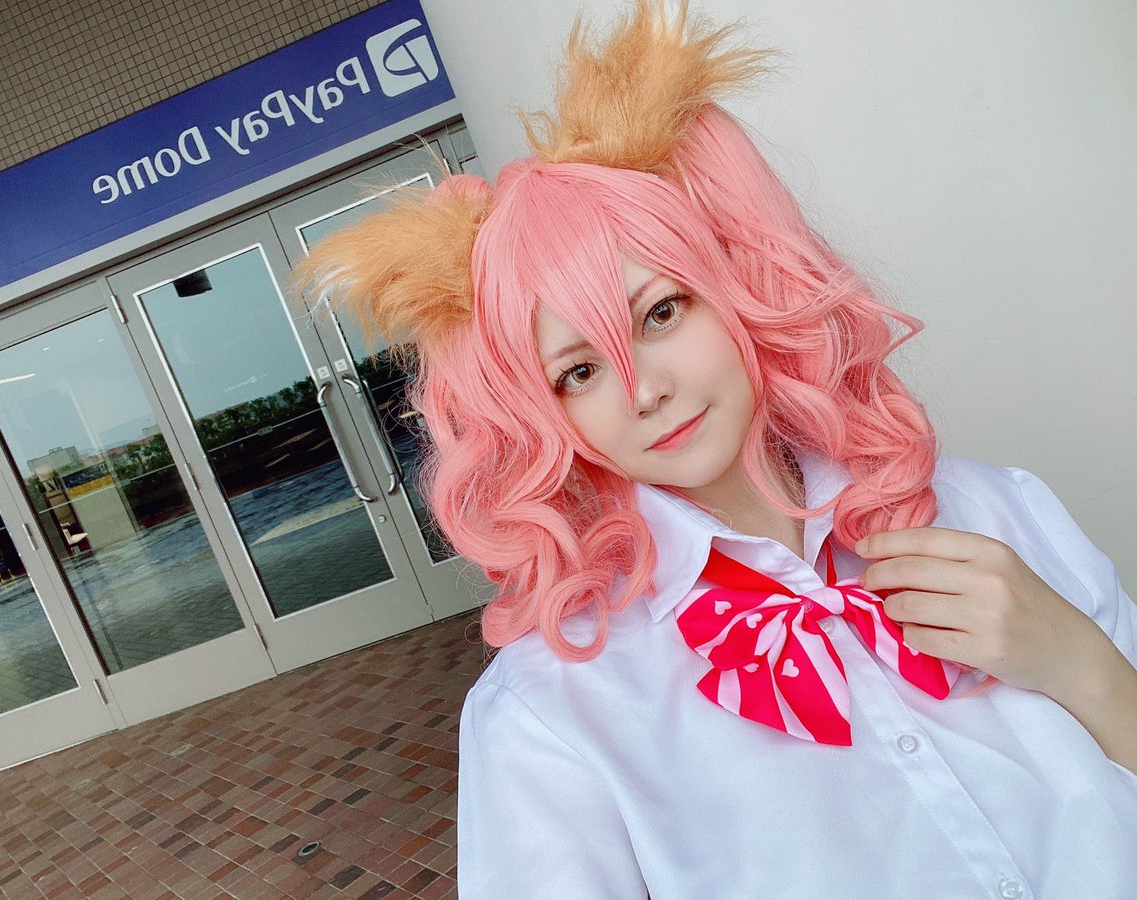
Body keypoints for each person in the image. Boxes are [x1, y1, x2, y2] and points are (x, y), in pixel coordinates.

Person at [296, 2, 1137, 896]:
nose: (643, 390)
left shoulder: (997, 511)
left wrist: (1085, 667)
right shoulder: (552, 715)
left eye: (661, 312)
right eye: (578, 372)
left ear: (732, 287)